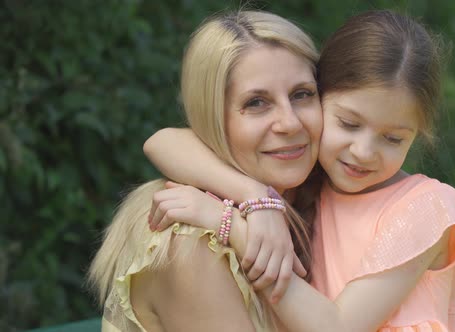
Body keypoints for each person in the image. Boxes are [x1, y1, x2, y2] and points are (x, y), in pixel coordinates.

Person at [145, 10, 455, 332]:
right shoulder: (309, 177)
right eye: (348, 123)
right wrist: (256, 199)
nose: (363, 152)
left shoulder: (426, 209)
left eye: (392, 138)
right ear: (319, 97)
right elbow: (162, 142)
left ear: (417, 135)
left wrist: (233, 225)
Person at [88, 10, 324, 331]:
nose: (290, 122)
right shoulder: (190, 240)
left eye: (302, 94)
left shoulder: (321, 196)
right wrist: (258, 201)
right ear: (212, 115)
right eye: (256, 102)